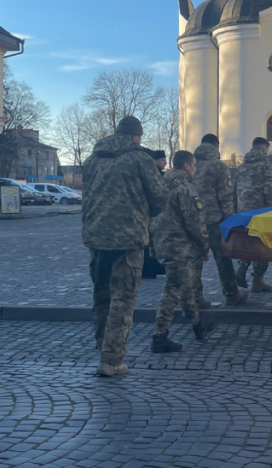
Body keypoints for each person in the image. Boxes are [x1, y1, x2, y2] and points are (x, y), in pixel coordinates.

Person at [82, 116, 168, 377]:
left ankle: (102, 350)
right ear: (135, 136)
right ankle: (111, 360)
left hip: (96, 237)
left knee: (101, 296)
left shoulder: (93, 159)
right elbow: (160, 199)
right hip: (128, 239)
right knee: (123, 298)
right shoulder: (140, 159)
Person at [151, 150, 218, 353]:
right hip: (179, 248)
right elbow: (195, 223)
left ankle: (199, 325)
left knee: (185, 286)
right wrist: (204, 248)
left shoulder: (160, 186)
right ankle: (159, 336)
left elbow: (152, 220)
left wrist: (152, 247)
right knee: (173, 290)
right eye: (194, 165)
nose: (195, 169)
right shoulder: (185, 189)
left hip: (163, 245)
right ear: (186, 165)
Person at [194, 134, 248, 307]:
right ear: (216, 146)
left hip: (193, 221)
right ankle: (231, 295)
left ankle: (196, 298)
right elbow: (225, 196)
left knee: (194, 261)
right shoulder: (218, 166)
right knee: (223, 258)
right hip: (214, 220)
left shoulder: (190, 164)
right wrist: (229, 220)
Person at [232, 137, 272, 293]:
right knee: (264, 245)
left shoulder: (241, 167)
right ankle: (258, 279)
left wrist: (235, 211)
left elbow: (234, 192)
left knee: (248, 242)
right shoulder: (266, 166)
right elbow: (269, 191)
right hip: (261, 212)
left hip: (243, 212)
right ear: (264, 149)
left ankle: (242, 269)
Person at [142, 149, 168, 279]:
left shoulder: (160, 175)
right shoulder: (154, 176)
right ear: (155, 161)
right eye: (162, 160)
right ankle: (149, 268)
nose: (165, 163)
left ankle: (154, 268)